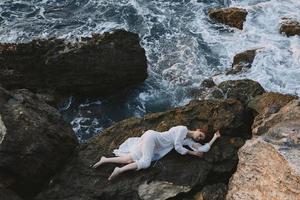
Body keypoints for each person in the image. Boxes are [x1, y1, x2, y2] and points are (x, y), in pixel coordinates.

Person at [92, 125, 221, 181]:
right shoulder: (182, 130)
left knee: (129, 158)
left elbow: (203, 149)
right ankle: (118, 171)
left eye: (200, 139)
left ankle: (105, 160)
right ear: (198, 129)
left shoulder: (186, 140)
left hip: (153, 144)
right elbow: (177, 146)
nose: (199, 138)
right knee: (145, 162)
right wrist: (193, 154)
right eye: (200, 135)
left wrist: (214, 138)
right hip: (152, 137)